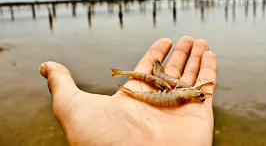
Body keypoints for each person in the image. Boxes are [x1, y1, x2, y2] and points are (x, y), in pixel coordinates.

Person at [39, 36, 217, 146]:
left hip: (167, 95)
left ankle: (127, 88)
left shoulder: (179, 94)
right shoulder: (178, 93)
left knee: (158, 88)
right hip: (166, 94)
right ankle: (127, 86)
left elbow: (179, 92)